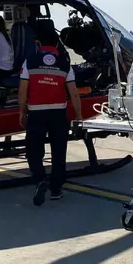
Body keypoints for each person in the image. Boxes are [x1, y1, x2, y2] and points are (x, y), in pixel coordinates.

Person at [18, 25, 82, 206]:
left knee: (33, 151)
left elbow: (22, 90)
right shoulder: (64, 63)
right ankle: (56, 189)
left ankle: (39, 180)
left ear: (38, 43)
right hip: (58, 114)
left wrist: (22, 111)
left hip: (36, 113)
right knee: (59, 152)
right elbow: (74, 93)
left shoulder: (29, 62)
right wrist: (78, 115)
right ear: (56, 44)